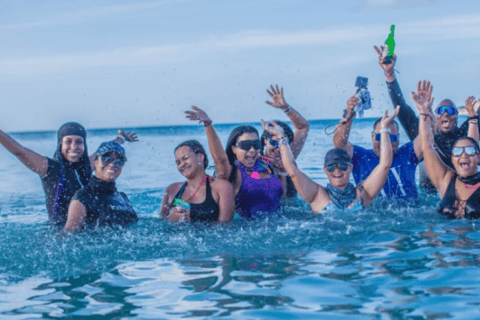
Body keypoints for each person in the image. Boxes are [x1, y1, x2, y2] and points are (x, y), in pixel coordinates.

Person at [374, 44, 480, 190]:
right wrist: (389, 74)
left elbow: (476, 118)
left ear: (456, 117)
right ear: (435, 116)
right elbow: (401, 107)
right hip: (429, 198)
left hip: (458, 193)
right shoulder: (422, 135)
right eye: (441, 110)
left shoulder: (463, 136)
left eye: (450, 110)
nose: (446, 114)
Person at [0, 122, 137, 226]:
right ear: (60, 144)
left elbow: (103, 156)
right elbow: (20, 151)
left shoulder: (85, 168)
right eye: (68, 141)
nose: (74, 146)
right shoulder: (50, 169)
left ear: (84, 145)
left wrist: (120, 139)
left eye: (79, 142)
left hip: (86, 229)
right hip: (61, 233)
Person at [260, 107, 396, 212]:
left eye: (342, 166)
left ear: (350, 168)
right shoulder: (317, 195)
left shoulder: (363, 193)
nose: (336, 170)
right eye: (331, 167)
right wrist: (281, 139)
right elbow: (293, 171)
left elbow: (384, 164)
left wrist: (384, 130)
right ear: (325, 171)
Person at [184, 107, 283, 219]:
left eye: (255, 144)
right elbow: (220, 159)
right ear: (234, 149)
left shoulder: (267, 166)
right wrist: (208, 125)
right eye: (245, 145)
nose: (251, 149)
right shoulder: (232, 173)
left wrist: (281, 137)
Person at [333, 90, 421, 201]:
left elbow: (427, 139)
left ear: (398, 139)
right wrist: (349, 113)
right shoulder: (361, 156)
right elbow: (339, 145)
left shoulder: (408, 153)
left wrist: (424, 112)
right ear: (372, 136)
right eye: (380, 137)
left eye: (391, 138)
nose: (386, 143)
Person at [413, 81, 480, 219]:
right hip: (445, 239)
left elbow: (473, 142)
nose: (463, 155)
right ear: (452, 159)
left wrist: (473, 118)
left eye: (469, 151)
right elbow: (427, 147)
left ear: (478, 157)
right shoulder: (446, 180)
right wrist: (424, 112)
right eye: (457, 152)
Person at [64, 141, 138, 231]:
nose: (112, 164)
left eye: (119, 161)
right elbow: (67, 236)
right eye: (106, 159)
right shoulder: (83, 197)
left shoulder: (123, 197)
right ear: (95, 162)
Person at [159, 140, 234, 223]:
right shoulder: (171, 190)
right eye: (178, 162)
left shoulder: (222, 187)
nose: (182, 165)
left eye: (185, 158)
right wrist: (170, 219)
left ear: (200, 157)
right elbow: (160, 223)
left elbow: (225, 227)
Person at [260, 84, 310, 199]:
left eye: (282, 143)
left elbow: (303, 127)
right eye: (274, 143)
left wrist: (285, 108)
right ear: (265, 141)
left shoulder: (288, 155)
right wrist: (281, 172)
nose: (278, 149)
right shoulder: (257, 163)